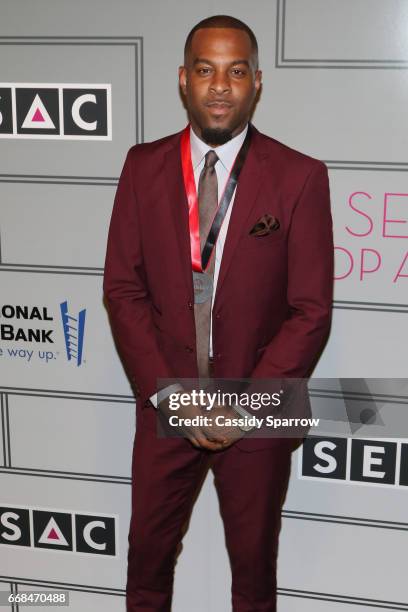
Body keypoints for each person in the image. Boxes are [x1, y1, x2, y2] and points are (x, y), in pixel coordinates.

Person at [103, 14, 333, 612]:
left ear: (258, 82)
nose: (221, 86)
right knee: (146, 569)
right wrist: (174, 396)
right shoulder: (142, 167)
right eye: (206, 70)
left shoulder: (302, 177)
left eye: (236, 71)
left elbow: (310, 310)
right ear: (184, 80)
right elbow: (122, 290)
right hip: (167, 400)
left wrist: (246, 405)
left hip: (258, 410)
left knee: (254, 577)